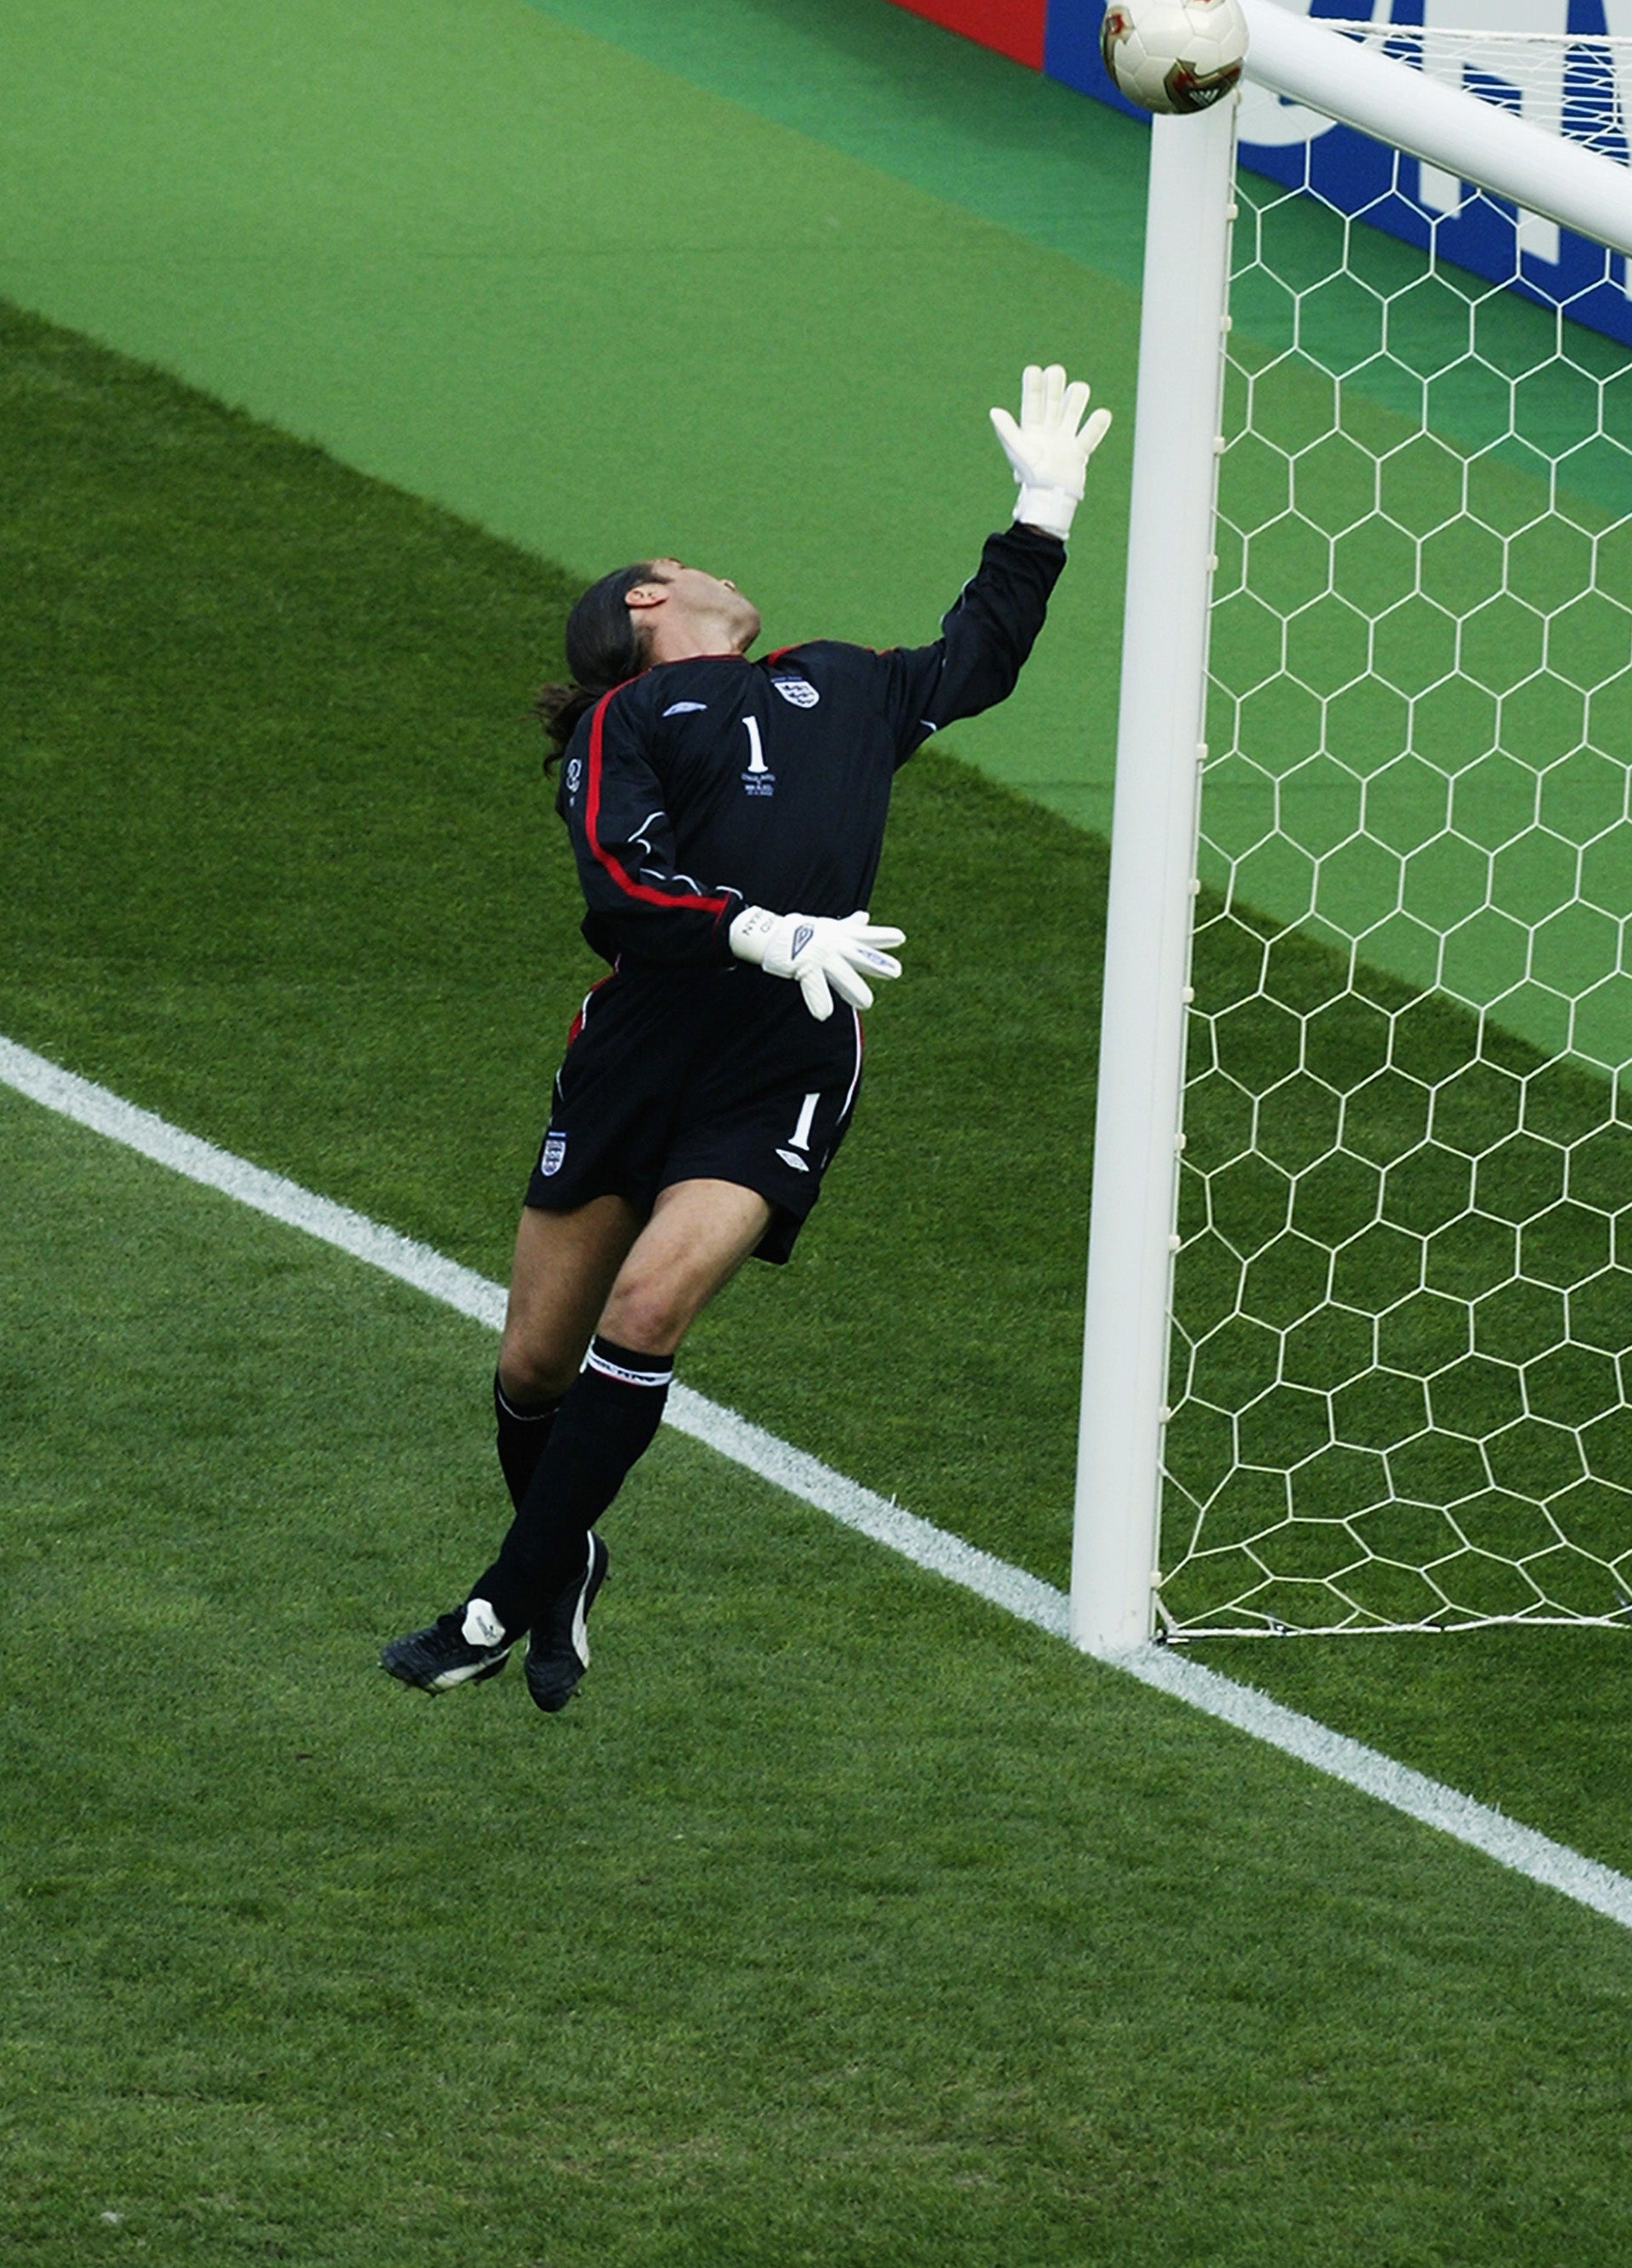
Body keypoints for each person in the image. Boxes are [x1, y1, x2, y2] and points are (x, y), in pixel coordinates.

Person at [381, 364, 1112, 1708]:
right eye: (681, 562)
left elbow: (977, 660)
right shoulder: (628, 718)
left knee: (648, 1309)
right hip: (638, 1047)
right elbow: (620, 878)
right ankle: (567, 1564)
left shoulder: (844, 686)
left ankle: (497, 1599)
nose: (713, 568)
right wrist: (760, 929)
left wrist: (1041, 511)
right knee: (535, 1363)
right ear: (642, 602)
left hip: (783, 1058)